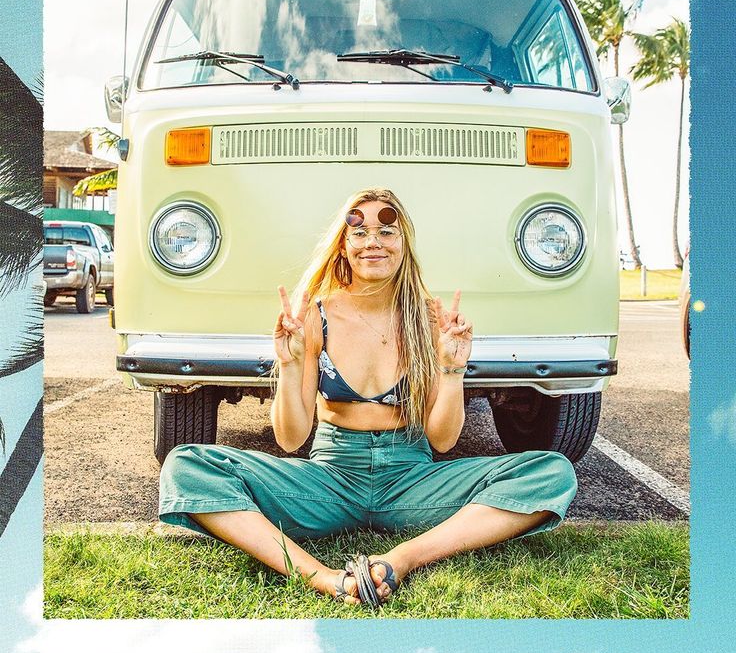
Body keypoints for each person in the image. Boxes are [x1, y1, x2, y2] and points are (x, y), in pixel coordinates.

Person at [159, 188, 577, 605]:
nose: (373, 241)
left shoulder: (429, 319)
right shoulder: (316, 316)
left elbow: (443, 441)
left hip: (412, 482)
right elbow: (290, 439)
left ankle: (403, 559)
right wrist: (288, 365)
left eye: (386, 231)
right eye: (359, 233)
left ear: (403, 245)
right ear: (343, 247)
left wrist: (452, 369)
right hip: (329, 483)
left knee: (552, 472)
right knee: (187, 465)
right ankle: (322, 577)